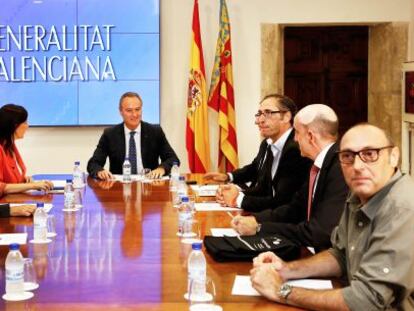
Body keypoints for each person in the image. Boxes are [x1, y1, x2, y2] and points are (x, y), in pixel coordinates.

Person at [250, 124, 414, 310]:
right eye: (348, 157)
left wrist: (281, 290)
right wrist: (286, 269)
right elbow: (341, 255)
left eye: (370, 154)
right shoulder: (359, 194)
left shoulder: (403, 207)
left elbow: (367, 300)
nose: (358, 166)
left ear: (393, 157)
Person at [232, 104, 348, 252]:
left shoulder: (339, 167)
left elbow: (320, 232)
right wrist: (255, 219)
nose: (295, 139)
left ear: (311, 136)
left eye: (297, 133)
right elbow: (294, 209)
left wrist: (260, 228)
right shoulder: (320, 164)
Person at [205, 94, 311, 212]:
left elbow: (283, 201)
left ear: (286, 116)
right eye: (259, 114)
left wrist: (238, 199)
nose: (259, 120)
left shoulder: (296, 148)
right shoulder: (268, 143)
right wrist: (233, 192)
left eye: (268, 113)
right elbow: (261, 182)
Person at [87, 92, 180, 180]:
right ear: (120, 111)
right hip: (120, 187)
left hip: (149, 186)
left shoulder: (155, 132)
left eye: (137, 109)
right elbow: (93, 163)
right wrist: (100, 171)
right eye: (129, 110)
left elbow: (173, 159)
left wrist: (162, 168)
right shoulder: (110, 134)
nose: (135, 114)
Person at [0, 104, 53, 195]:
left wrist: (25, 180)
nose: (27, 126)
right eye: (25, 123)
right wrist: (33, 186)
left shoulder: (10, 146)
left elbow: (11, 180)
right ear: (14, 126)